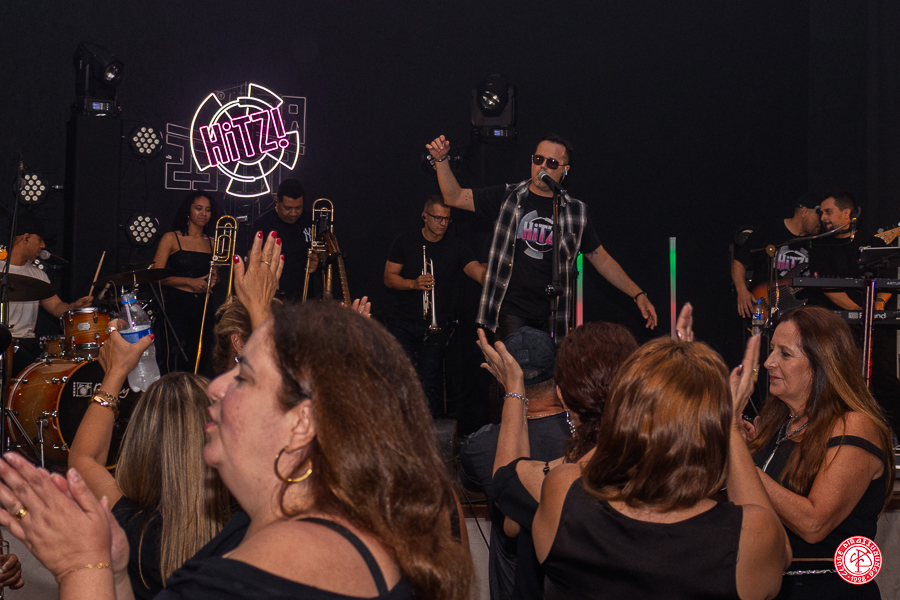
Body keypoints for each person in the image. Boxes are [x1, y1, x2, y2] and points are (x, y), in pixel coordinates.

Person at [0, 233, 472, 600]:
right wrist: (120, 573)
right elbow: (289, 393)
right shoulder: (369, 533)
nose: (216, 386)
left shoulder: (228, 584)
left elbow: (283, 388)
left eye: (243, 376)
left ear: (303, 424)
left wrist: (82, 567)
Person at [526, 324, 789, 599]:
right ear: (712, 432)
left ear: (622, 414)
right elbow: (779, 553)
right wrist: (732, 426)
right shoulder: (752, 535)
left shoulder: (562, 492)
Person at [425, 134, 656, 342]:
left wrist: (637, 293)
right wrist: (441, 160)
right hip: (511, 311)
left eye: (552, 163)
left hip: (554, 315)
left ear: (565, 170)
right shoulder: (507, 196)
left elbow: (601, 258)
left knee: (547, 374)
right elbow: (455, 197)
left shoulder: (576, 212)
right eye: (538, 159)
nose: (542, 166)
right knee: (519, 370)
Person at [474, 322, 638, 600]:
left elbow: (507, 484)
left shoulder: (558, 486)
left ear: (562, 394)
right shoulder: (665, 472)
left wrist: (515, 390)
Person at [68, 329, 233, 599]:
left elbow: (84, 459)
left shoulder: (131, 528)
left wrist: (115, 373)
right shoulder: (242, 529)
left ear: (139, 443)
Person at [746, 306, 895, 599]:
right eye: (772, 350)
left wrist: (743, 468)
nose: (768, 362)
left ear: (821, 363)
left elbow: (814, 524)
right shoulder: (781, 424)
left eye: (784, 354)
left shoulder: (855, 425)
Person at [459, 326, 570, 600]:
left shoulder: (481, 446)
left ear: (501, 380)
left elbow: (471, 486)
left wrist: (512, 390)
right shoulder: (585, 438)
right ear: (561, 375)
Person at [805, 192, 900, 434]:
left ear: (846, 213)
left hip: (876, 325)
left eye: (828, 212)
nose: (823, 217)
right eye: (822, 212)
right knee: (839, 382)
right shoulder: (820, 246)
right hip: (839, 326)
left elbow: (889, 277)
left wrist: (878, 303)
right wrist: (860, 311)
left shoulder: (871, 242)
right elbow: (828, 287)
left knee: (886, 382)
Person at [384, 195, 486, 416]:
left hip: (435, 324)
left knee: (428, 381)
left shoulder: (457, 246)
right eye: (438, 218)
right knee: (397, 376)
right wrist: (413, 283)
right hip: (402, 322)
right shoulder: (405, 240)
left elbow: (476, 272)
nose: (443, 223)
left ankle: (425, 427)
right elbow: (389, 278)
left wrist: (494, 273)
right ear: (425, 216)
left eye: (447, 219)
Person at [0, 213, 93, 374]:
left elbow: (56, 307)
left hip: (27, 345)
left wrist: (74, 306)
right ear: (26, 238)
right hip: (2, 341)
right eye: (40, 239)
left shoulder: (39, 275)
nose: (43, 246)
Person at [152, 191, 220, 372]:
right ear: (188, 211)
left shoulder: (213, 242)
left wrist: (214, 279)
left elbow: (216, 274)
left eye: (208, 210)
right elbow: (155, 276)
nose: (203, 213)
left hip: (203, 307)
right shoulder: (171, 238)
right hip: (176, 305)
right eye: (198, 208)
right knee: (173, 357)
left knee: (200, 355)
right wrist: (189, 282)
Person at [731, 198, 821, 318]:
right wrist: (742, 291)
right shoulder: (769, 231)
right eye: (819, 214)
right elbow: (739, 262)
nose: (822, 219)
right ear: (804, 211)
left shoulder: (819, 241)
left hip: (801, 312)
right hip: (765, 303)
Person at [252, 178, 318, 301]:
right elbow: (252, 262)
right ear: (277, 201)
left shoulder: (311, 220)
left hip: (305, 294)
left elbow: (324, 255)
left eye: (298, 208)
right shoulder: (263, 223)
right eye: (288, 208)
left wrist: (317, 260)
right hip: (274, 294)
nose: (293, 213)